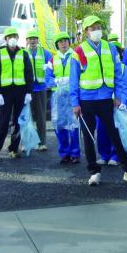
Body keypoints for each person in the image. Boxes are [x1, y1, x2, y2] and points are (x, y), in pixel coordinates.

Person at [69, 15, 127, 186]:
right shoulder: (79, 52)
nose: (96, 31)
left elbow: (119, 74)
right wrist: (75, 103)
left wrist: (119, 96)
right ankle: (94, 172)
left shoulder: (110, 48)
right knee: (88, 137)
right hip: (86, 101)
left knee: (114, 135)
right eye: (92, 28)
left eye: (98, 27)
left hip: (106, 100)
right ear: (86, 31)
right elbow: (74, 79)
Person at [0, 28, 34, 161]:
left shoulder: (24, 54)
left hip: (20, 92)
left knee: (18, 122)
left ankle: (14, 149)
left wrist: (28, 92)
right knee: (2, 122)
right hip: (5, 93)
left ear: (18, 37)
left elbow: (28, 74)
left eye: (14, 36)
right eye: (10, 36)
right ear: (6, 39)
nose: (12, 38)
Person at [51, 32, 81, 164]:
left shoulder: (76, 56)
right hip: (58, 98)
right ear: (57, 44)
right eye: (61, 41)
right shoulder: (53, 59)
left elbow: (83, 72)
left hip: (73, 96)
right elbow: (47, 78)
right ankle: (64, 153)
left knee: (74, 126)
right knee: (60, 125)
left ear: (69, 42)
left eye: (66, 41)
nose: (63, 43)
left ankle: (75, 153)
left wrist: (71, 80)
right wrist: (57, 81)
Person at [25, 29, 54, 152]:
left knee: (41, 117)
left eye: (34, 38)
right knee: (26, 117)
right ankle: (26, 142)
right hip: (26, 89)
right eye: (30, 38)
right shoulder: (23, 53)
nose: (32, 41)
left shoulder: (45, 53)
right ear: (27, 40)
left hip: (41, 88)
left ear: (38, 40)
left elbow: (52, 68)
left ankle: (42, 142)